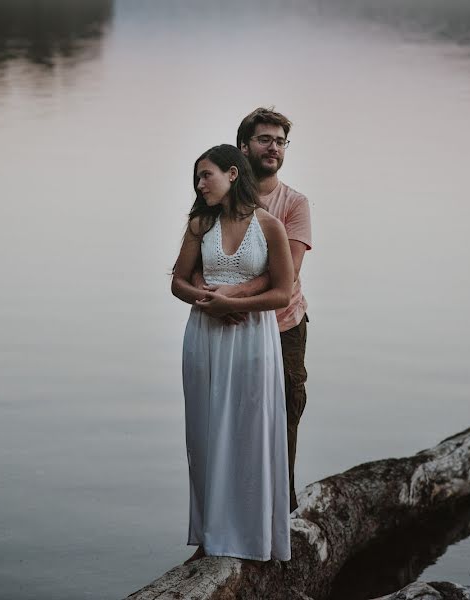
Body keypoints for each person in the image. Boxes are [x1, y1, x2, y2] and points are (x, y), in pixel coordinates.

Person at [171, 144, 294, 562]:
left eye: (207, 175)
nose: (200, 184)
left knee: (249, 432)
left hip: (252, 341)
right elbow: (178, 282)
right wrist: (208, 302)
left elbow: (283, 292)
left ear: (233, 174)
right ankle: (210, 536)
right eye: (197, 177)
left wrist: (234, 305)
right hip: (204, 338)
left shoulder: (270, 226)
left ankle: (253, 536)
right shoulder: (200, 223)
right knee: (205, 434)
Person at [194, 108, 311, 512]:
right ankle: (230, 520)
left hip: (283, 328)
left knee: (281, 422)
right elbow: (194, 267)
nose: (274, 148)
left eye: (280, 141)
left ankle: (283, 520)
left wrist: (230, 296)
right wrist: (211, 303)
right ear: (243, 149)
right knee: (229, 424)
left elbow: (289, 276)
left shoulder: (293, 204)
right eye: (265, 139)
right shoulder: (215, 200)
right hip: (226, 330)